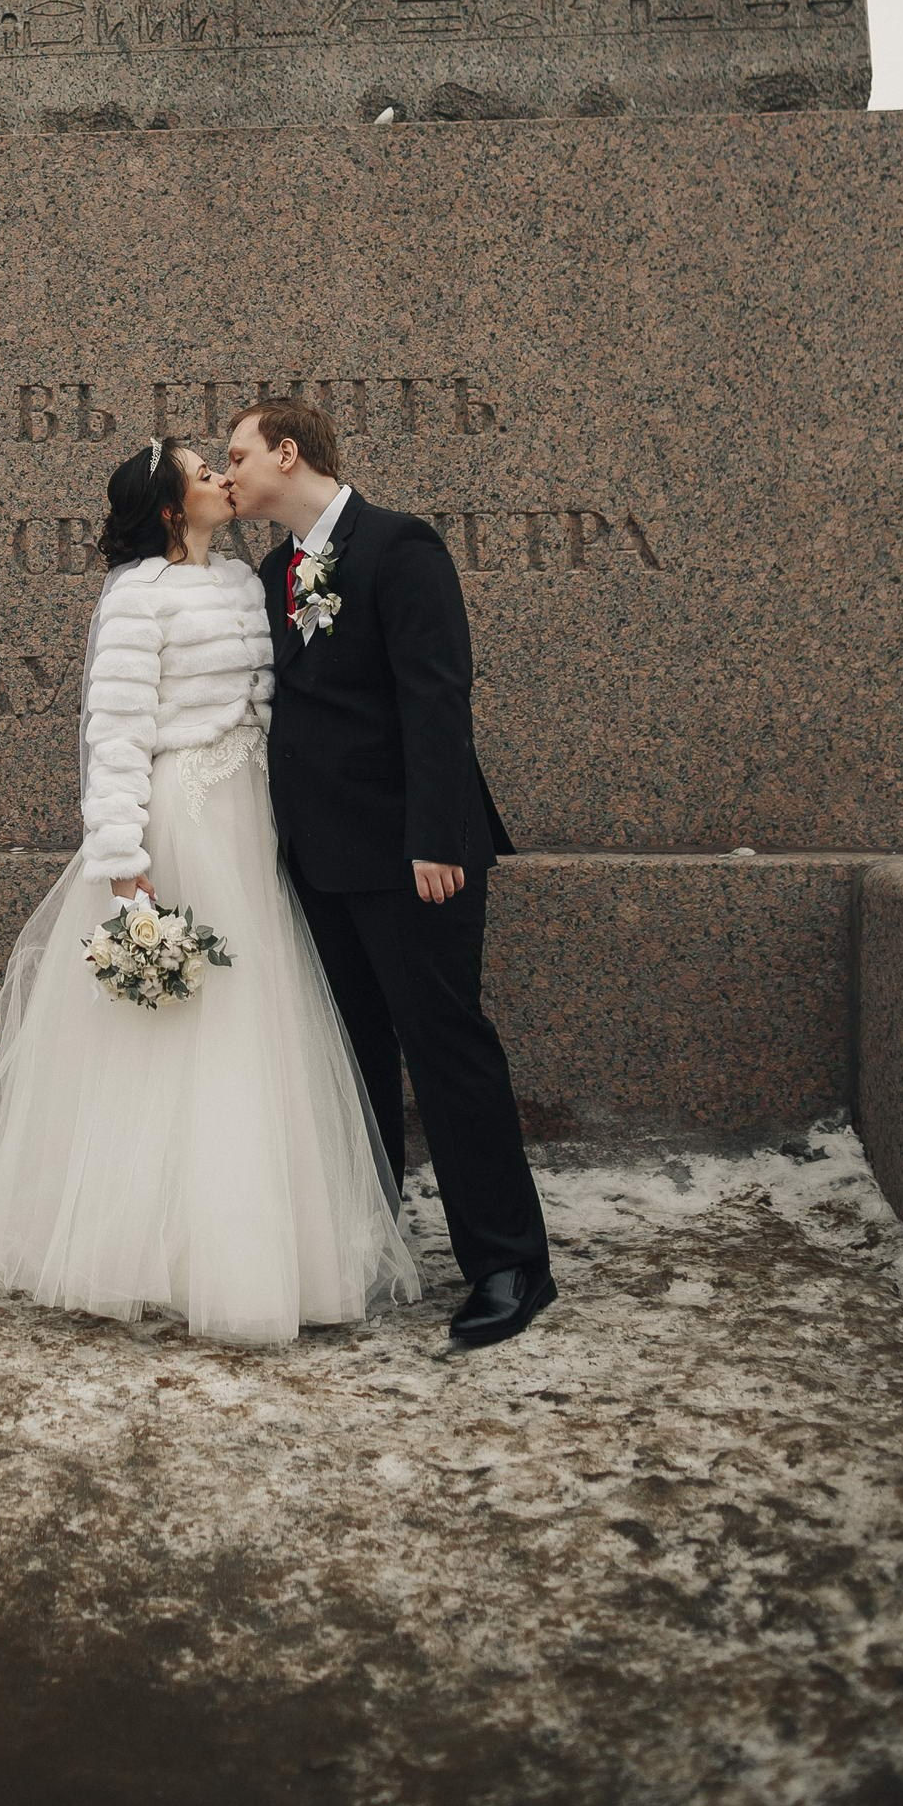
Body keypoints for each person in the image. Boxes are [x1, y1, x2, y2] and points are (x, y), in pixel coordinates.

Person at [0, 438, 420, 1346]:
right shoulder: (137, 598)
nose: (220, 479)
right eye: (203, 473)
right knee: (178, 1028)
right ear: (170, 508)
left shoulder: (251, 582)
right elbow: (116, 732)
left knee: (258, 1018)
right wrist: (125, 865)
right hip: (183, 819)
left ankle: (264, 1242)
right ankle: (149, 1253)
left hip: (255, 820)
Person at [225, 401, 556, 1350]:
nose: (230, 471)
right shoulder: (279, 568)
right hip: (321, 860)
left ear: (289, 453)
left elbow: (437, 695)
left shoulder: (400, 547)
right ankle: (372, 1245)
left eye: (239, 454)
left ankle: (508, 1266)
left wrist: (438, 838)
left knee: (445, 1048)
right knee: (354, 1055)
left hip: (416, 860)